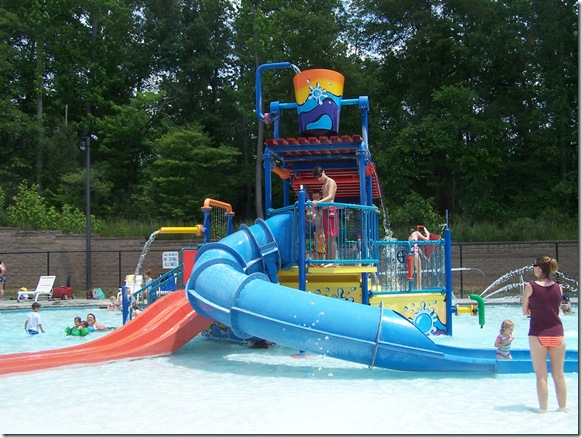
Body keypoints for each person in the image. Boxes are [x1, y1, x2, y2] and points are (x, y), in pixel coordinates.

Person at [522, 255, 567, 413]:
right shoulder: (558, 287)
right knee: (559, 376)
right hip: (558, 334)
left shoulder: (531, 286)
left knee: (541, 376)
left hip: (538, 333)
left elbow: (524, 311)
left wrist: (532, 310)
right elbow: (557, 310)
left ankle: (543, 410)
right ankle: (562, 409)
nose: (533, 268)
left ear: (539, 268)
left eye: (534, 265)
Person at [312, 166, 338, 266]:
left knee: (331, 237)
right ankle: (328, 260)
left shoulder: (331, 181)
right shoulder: (323, 186)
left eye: (320, 175)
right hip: (325, 211)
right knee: (327, 237)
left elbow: (330, 197)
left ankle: (332, 261)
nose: (319, 178)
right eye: (317, 177)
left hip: (330, 210)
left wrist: (318, 202)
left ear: (324, 172)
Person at [408, 225, 431, 290]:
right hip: (415, 254)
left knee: (411, 272)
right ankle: (419, 287)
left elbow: (416, 247)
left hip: (410, 255)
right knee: (419, 270)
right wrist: (428, 234)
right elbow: (427, 239)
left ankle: (410, 287)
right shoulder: (416, 233)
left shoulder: (409, 238)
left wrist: (423, 256)